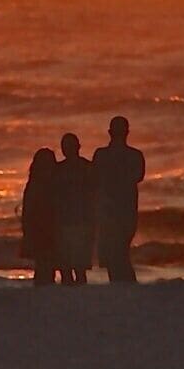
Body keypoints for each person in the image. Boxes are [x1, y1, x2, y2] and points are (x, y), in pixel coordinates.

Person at [91, 116, 146, 283]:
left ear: (109, 132)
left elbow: (94, 180)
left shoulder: (101, 155)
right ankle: (126, 287)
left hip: (109, 211)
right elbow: (138, 176)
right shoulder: (135, 155)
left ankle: (125, 286)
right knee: (119, 253)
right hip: (125, 211)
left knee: (115, 254)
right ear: (127, 132)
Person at [52, 132, 98, 284]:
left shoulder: (59, 170)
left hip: (73, 222)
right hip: (73, 222)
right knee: (75, 267)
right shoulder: (87, 167)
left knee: (73, 267)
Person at [19, 147, 60, 284]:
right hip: (43, 229)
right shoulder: (44, 184)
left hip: (42, 229)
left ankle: (42, 286)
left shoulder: (35, 183)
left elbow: (27, 212)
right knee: (46, 264)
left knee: (44, 264)